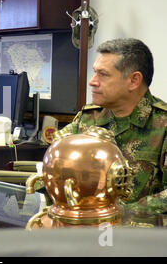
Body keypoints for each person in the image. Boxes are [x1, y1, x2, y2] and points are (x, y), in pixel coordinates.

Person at [58, 38, 166, 214]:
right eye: (95, 72)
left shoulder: (163, 125)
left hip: (143, 235)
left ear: (134, 80)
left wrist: (121, 213)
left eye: (103, 74)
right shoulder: (87, 119)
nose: (92, 81)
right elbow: (56, 167)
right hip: (86, 229)